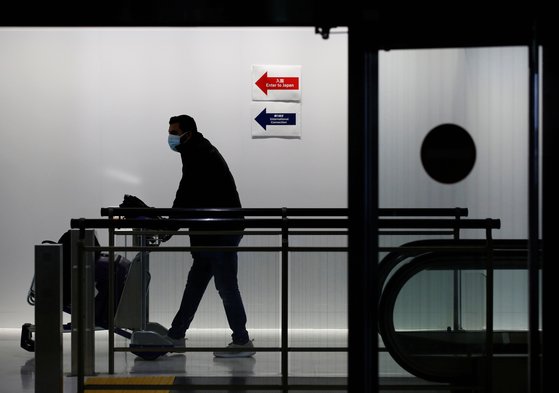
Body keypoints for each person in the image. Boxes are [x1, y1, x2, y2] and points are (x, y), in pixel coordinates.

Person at [164, 114, 255, 358]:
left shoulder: (199, 154)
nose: (171, 137)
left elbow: (187, 194)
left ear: (188, 133)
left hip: (221, 231)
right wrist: (172, 226)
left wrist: (170, 228)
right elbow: (189, 196)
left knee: (226, 286)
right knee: (195, 284)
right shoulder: (196, 150)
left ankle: (242, 341)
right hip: (211, 232)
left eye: (174, 132)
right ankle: (175, 335)